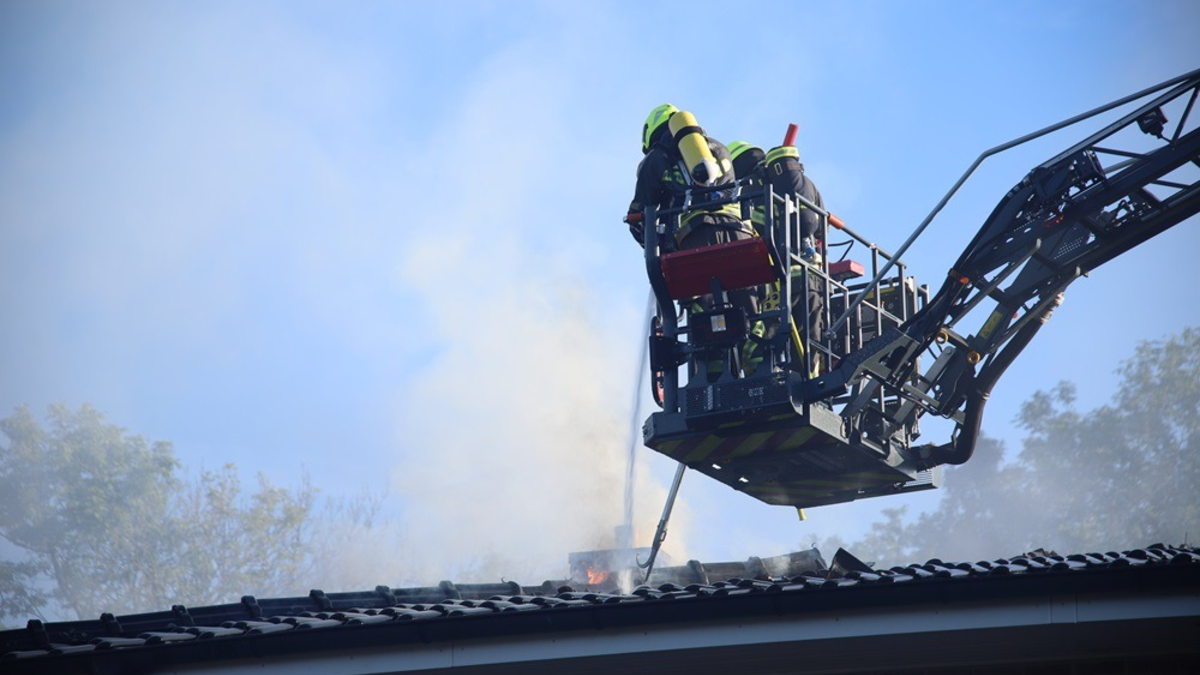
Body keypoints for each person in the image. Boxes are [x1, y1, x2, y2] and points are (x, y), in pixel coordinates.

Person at [626, 105, 759, 381]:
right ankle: (761, 376)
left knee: (702, 318)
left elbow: (639, 215)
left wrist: (657, 249)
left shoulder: (657, 159)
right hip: (740, 240)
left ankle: (710, 384)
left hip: (696, 243)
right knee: (750, 315)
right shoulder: (719, 148)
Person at [728, 139, 827, 376]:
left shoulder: (746, 190)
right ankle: (809, 385)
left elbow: (746, 236)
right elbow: (822, 230)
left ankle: (755, 376)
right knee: (808, 341)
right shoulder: (806, 184)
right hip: (809, 276)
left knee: (764, 333)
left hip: (773, 281)